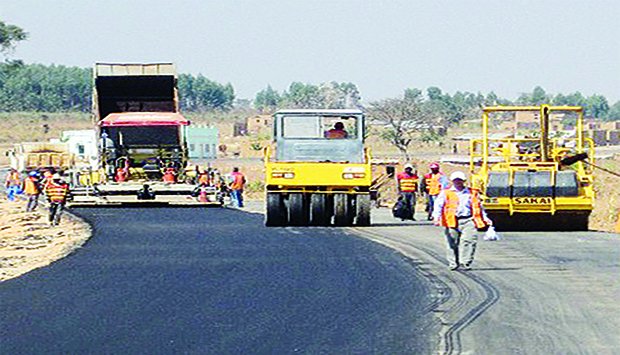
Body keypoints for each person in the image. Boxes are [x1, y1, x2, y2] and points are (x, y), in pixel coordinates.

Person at [432, 171, 492, 271]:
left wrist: (485, 218)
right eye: (456, 180)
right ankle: (453, 263)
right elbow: (438, 205)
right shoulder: (446, 193)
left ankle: (465, 262)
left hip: (468, 220)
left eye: (460, 180)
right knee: (452, 242)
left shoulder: (472, 192)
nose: (458, 182)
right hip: (452, 220)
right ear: (452, 181)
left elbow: (479, 207)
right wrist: (436, 217)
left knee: (469, 241)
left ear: (463, 181)